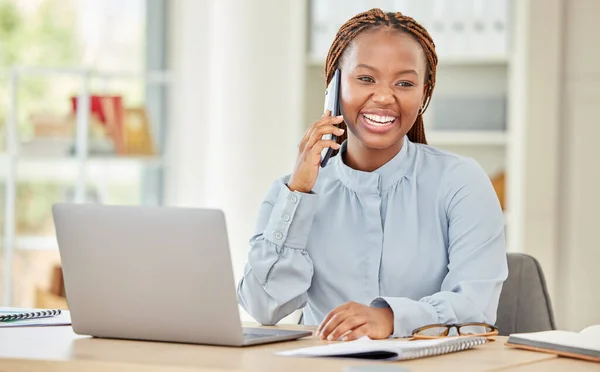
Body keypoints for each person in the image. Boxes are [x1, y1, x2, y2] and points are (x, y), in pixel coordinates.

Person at [237, 8, 508, 341]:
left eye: (404, 83)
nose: (383, 97)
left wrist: (391, 318)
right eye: (365, 78)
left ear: (424, 92)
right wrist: (299, 194)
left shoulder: (461, 182)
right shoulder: (292, 191)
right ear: (334, 86)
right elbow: (263, 307)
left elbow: (477, 310)